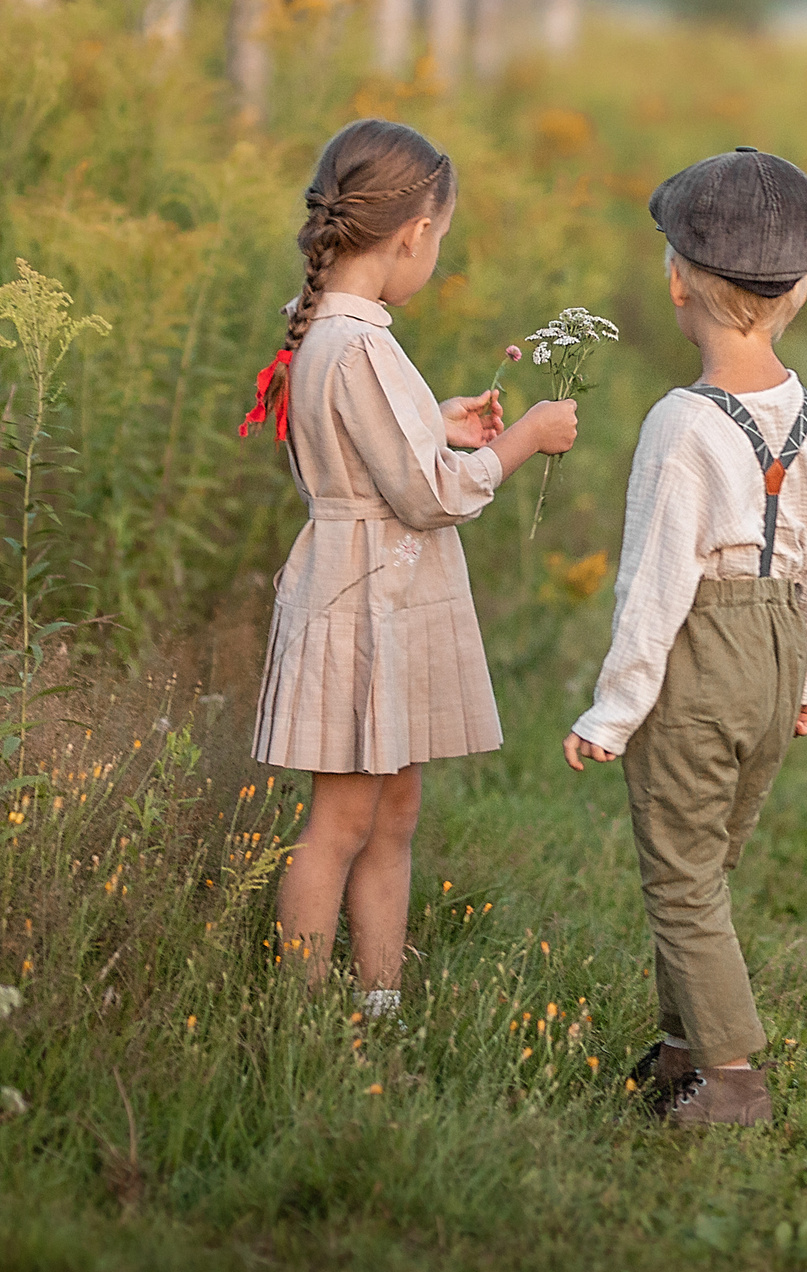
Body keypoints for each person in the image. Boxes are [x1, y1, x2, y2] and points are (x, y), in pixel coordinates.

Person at [244, 118, 578, 1020]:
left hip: (380, 597)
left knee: (393, 817)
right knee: (343, 825)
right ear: (413, 234)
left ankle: (377, 1005)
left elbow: (378, 447)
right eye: (444, 238)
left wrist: (438, 419)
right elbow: (429, 496)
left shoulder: (331, 331)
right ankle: (302, 1015)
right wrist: (518, 440)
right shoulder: (356, 343)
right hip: (362, 602)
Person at [563, 147, 807, 1128]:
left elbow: (654, 584)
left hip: (701, 656)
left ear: (676, 278)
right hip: (773, 658)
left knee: (680, 880)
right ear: (797, 290)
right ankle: (682, 1051)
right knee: (706, 868)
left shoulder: (679, 426)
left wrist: (615, 709)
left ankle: (730, 1083)